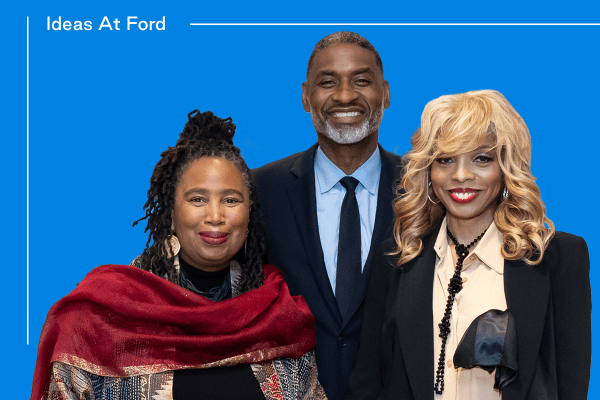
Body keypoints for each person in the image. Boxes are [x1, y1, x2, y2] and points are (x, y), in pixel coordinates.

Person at [31, 110, 327, 400]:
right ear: (171, 214)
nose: (215, 215)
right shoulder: (97, 317)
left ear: (249, 214)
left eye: (230, 200)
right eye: (197, 199)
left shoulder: (277, 314)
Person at [346, 90, 591, 400]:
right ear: (428, 171)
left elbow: (571, 383)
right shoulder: (396, 260)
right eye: (445, 159)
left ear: (506, 166)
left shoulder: (556, 258)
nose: (461, 175)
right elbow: (368, 383)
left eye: (481, 158)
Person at [253, 31, 403, 400]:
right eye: (328, 82)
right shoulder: (259, 190)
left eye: (362, 81)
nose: (346, 95)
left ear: (385, 92)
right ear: (306, 96)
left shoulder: (424, 189)